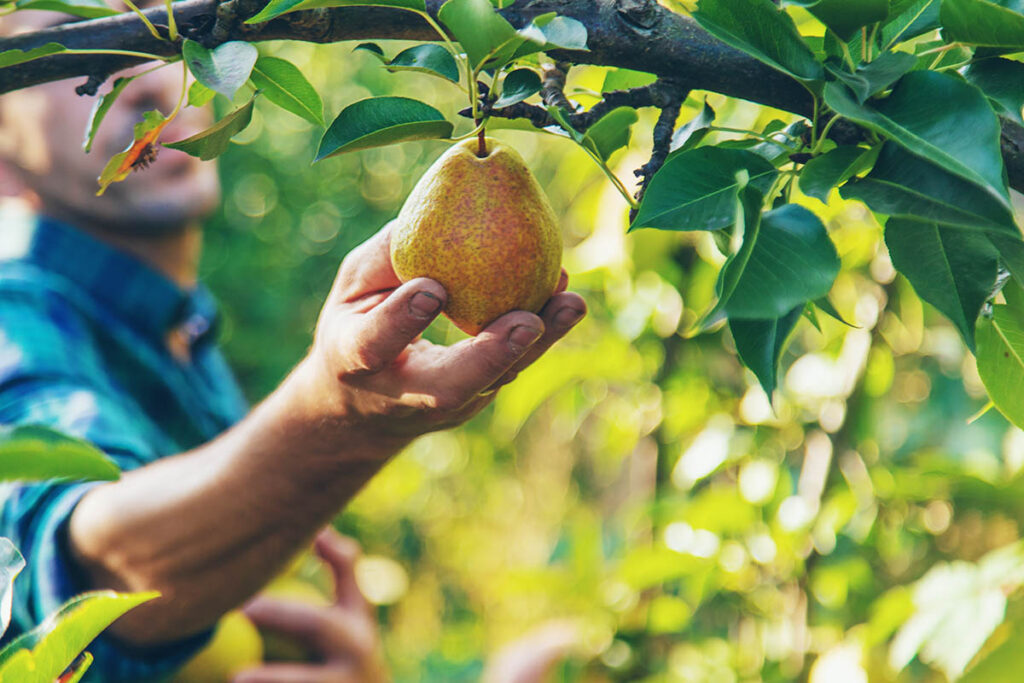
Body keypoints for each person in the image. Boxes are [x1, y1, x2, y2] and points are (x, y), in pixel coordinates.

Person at [0, 9, 587, 681]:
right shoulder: (13, 322)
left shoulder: (180, 328)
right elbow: (83, 573)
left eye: (146, 32)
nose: (147, 81)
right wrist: (336, 416)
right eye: (78, 55)